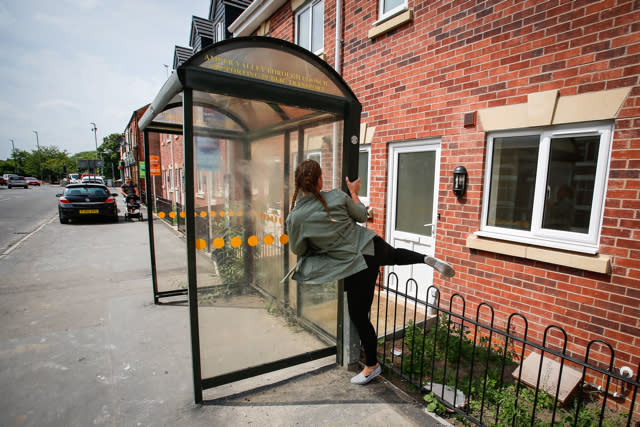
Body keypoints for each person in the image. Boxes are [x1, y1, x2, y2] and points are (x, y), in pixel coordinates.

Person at [285, 159, 454, 386]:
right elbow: (363, 215)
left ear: (298, 183)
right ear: (319, 180)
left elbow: (298, 249)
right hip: (371, 244)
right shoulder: (337, 195)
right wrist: (354, 192)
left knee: (359, 316)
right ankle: (424, 259)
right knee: (395, 255)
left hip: (355, 264)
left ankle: (372, 366)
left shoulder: (296, 217)